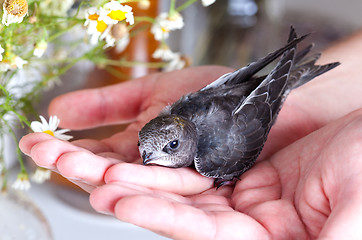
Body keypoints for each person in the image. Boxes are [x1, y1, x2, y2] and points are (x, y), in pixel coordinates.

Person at [19, 29, 362, 239]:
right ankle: (293, 70)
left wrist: (282, 79)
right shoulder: (175, 116)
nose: (149, 158)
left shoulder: (212, 156)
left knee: (277, 84)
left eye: (167, 147)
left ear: (182, 141)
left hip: (259, 102)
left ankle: (293, 71)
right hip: (243, 93)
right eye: (146, 148)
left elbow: (255, 105)